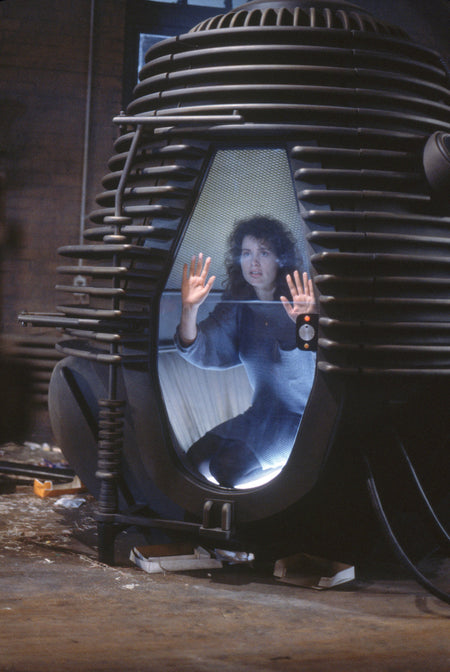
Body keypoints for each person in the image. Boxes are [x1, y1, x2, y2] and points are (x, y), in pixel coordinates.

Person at [174, 215, 316, 487]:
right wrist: (189, 309)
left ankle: (297, 466)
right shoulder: (239, 305)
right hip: (261, 413)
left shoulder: (302, 304)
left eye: (264, 253)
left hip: (303, 421)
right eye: (247, 253)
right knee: (193, 461)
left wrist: (306, 323)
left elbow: (311, 375)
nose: (254, 262)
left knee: (226, 469)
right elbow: (201, 347)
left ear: (280, 259)